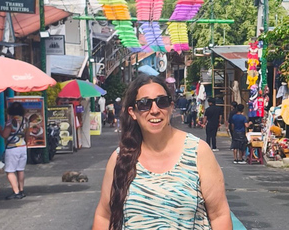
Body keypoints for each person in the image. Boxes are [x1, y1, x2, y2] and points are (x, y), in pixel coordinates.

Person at [91, 74, 232, 230]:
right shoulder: (120, 158)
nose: (155, 110)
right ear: (132, 112)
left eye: (161, 102)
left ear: (171, 107)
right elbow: (104, 216)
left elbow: (220, 215)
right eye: (144, 104)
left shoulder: (198, 152)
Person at [0, 101, 29, 200]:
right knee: (20, 170)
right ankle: (21, 190)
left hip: (12, 148)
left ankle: (16, 192)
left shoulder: (10, 122)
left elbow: (5, 135)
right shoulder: (25, 120)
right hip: (23, 147)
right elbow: (27, 135)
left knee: (10, 171)